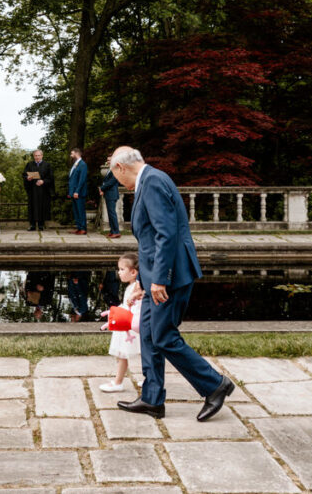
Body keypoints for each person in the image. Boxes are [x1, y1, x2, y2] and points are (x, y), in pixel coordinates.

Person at [110, 146, 236, 422]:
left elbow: (165, 235)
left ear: (120, 168)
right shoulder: (151, 179)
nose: (117, 183)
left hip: (170, 277)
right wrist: (143, 280)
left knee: (164, 336)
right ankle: (152, 400)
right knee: (148, 334)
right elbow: (151, 239)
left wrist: (158, 279)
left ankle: (215, 385)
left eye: (115, 176)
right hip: (155, 275)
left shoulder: (153, 182)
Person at [99, 252, 144, 392]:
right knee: (125, 354)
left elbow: (135, 306)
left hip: (131, 326)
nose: (119, 273)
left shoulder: (137, 288)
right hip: (128, 325)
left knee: (124, 354)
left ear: (133, 272)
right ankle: (148, 378)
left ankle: (118, 383)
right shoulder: (132, 287)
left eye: (122, 269)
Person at [23, 149, 54, 231]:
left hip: (43, 190)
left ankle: (41, 225)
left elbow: (51, 178)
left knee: (42, 207)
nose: (37, 157)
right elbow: (24, 175)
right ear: (33, 156)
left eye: (38, 155)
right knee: (32, 207)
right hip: (32, 190)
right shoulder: (29, 165)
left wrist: (43, 181)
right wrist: (27, 178)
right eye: (35, 156)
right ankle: (32, 225)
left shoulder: (47, 165)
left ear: (42, 156)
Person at [67, 148, 89, 234]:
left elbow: (82, 180)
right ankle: (79, 227)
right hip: (73, 192)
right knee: (76, 211)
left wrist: (77, 191)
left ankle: (83, 229)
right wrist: (71, 192)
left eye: (72, 154)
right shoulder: (75, 164)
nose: (71, 155)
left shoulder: (82, 164)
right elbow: (72, 179)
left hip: (79, 192)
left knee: (80, 211)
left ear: (77, 154)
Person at [100, 156, 121, 238]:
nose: (107, 161)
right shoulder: (110, 169)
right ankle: (112, 231)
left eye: (109, 160)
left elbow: (111, 182)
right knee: (110, 214)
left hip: (112, 194)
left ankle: (116, 232)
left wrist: (102, 188)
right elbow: (106, 181)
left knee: (112, 214)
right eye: (107, 160)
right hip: (108, 194)